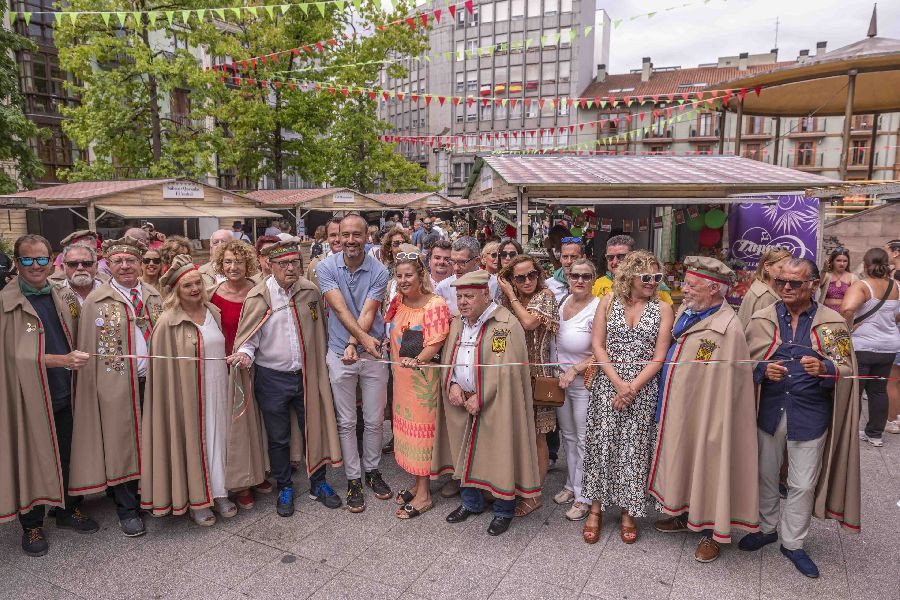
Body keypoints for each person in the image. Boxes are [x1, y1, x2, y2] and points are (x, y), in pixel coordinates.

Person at [742, 257, 860, 578]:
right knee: (765, 474)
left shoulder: (831, 322)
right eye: (780, 281)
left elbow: (847, 368)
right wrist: (761, 369)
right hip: (768, 410)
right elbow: (742, 362)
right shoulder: (762, 318)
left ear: (814, 284)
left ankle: (793, 543)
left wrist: (825, 367)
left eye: (795, 283)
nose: (786, 287)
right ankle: (766, 528)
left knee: (802, 484)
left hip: (810, 412)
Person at [650, 256, 759, 563]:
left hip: (711, 415)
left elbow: (728, 388)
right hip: (683, 406)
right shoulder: (688, 311)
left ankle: (713, 533)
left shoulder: (728, 329)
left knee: (712, 466)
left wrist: (717, 423)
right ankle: (685, 514)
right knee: (685, 460)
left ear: (713, 289)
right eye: (686, 283)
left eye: (691, 285)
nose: (684, 290)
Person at [227, 240, 344, 516]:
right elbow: (250, 337)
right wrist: (244, 353)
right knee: (278, 437)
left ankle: (318, 482)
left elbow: (320, 331)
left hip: (307, 375)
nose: (291, 268)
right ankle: (285, 486)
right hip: (271, 378)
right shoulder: (258, 296)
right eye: (283, 264)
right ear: (270, 265)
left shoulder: (310, 291)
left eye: (295, 263)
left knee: (313, 429)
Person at [1, 234, 98, 557]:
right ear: (17, 263)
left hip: (64, 390)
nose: (36, 266)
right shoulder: (6, 303)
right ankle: (31, 524)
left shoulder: (61, 294)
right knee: (32, 458)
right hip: (28, 397)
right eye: (27, 260)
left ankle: (67, 509)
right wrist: (60, 360)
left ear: (51, 260)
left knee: (68, 453)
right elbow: (10, 356)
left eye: (42, 259)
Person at [432, 270, 541, 536]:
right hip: (461, 399)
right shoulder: (458, 323)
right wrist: (453, 383)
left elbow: (505, 370)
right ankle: (471, 503)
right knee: (463, 450)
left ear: (486, 295)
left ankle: (504, 510)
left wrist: (481, 396)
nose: (463, 302)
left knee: (500, 453)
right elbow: (450, 358)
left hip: (496, 401)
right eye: (460, 297)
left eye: (469, 296)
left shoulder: (505, 324)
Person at [69, 236, 164, 538]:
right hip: (115, 383)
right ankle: (127, 509)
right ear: (107, 265)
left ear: (140, 263)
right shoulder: (97, 301)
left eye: (131, 260)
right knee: (121, 444)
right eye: (118, 261)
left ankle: (153, 495)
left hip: (154, 380)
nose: (125, 266)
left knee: (153, 440)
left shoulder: (153, 295)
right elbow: (88, 347)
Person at [580, 251, 674, 544]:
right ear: (630, 276)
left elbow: (659, 356)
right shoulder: (608, 302)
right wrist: (619, 384)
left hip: (643, 388)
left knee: (634, 450)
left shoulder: (663, 308)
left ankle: (628, 512)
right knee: (601, 445)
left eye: (657, 277)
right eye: (646, 277)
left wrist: (632, 387)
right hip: (608, 384)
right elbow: (598, 346)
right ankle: (595, 509)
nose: (652, 282)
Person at [140, 255, 238, 526]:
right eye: (187, 285)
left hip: (218, 387)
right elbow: (162, 373)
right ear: (176, 290)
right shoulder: (167, 322)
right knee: (196, 441)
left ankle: (220, 492)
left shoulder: (213, 312)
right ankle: (198, 499)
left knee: (219, 438)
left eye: (197, 283)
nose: (194, 289)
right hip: (186, 393)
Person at [316, 214, 392, 513]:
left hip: (372, 353)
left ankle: (371, 471)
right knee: (346, 421)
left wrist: (355, 343)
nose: (350, 240)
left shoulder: (379, 270)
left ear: (367, 237)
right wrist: (351, 343)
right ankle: (353, 478)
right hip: (339, 353)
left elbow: (368, 312)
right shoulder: (325, 267)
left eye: (356, 235)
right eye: (345, 234)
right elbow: (339, 308)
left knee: (374, 420)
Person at [384, 245, 450, 519]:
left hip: (422, 382)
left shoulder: (435, 304)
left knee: (422, 435)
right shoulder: (398, 302)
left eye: (408, 275)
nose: (403, 280)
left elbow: (436, 342)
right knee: (407, 432)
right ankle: (417, 483)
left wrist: (418, 360)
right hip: (401, 379)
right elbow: (392, 331)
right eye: (399, 276)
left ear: (420, 275)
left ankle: (424, 494)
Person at [498, 254, 559, 517]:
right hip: (512, 373)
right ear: (512, 280)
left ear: (539, 274)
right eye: (520, 277)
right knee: (515, 432)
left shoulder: (545, 296)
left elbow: (529, 322)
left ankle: (534, 494)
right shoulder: (506, 301)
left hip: (539, 375)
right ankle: (516, 485)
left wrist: (510, 295)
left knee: (538, 436)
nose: (527, 281)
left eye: (531, 274)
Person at [553, 258, 600, 521]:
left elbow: (601, 351)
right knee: (568, 437)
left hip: (584, 383)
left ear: (594, 279)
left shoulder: (598, 308)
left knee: (583, 439)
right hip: (562, 381)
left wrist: (575, 370)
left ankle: (584, 497)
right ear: (568, 278)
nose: (579, 280)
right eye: (574, 276)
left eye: (586, 276)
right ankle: (571, 485)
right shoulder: (562, 303)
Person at [839, 248, 900, 447]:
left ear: (865, 265)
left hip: (863, 345)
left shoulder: (862, 285)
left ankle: (849, 433)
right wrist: (889, 321)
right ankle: (875, 434)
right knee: (879, 390)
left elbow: (847, 308)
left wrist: (849, 327)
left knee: (855, 390)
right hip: (888, 346)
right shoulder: (896, 286)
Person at [592, 235, 673, 304]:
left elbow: (669, 313)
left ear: (634, 258)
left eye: (621, 257)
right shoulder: (598, 284)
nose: (615, 261)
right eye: (610, 257)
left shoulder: (654, 285)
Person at [434, 236, 499, 316]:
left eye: (462, 263)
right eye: (453, 262)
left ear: (477, 261)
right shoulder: (443, 288)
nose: (456, 268)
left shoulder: (495, 284)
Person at [737, 247, 793, 326]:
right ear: (767, 266)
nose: (786, 272)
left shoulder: (763, 287)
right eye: (781, 268)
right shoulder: (765, 297)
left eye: (789, 268)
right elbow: (763, 330)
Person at [545, 236, 585, 303]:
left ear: (583, 258)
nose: (569, 261)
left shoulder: (592, 285)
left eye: (573, 257)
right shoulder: (548, 285)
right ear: (560, 258)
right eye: (565, 257)